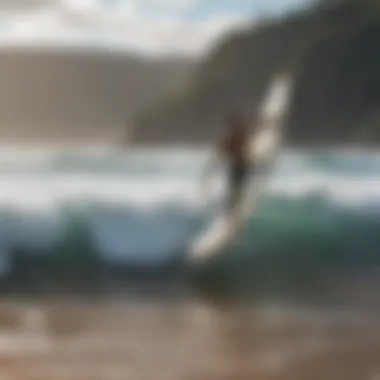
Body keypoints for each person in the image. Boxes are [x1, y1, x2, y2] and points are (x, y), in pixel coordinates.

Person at [202, 112, 255, 211]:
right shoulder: (231, 137)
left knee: (237, 186)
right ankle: (231, 206)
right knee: (235, 186)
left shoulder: (237, 134)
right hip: (237, 166)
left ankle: (234, 204)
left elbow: (249, 135)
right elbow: (221, 151)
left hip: (242, 165)